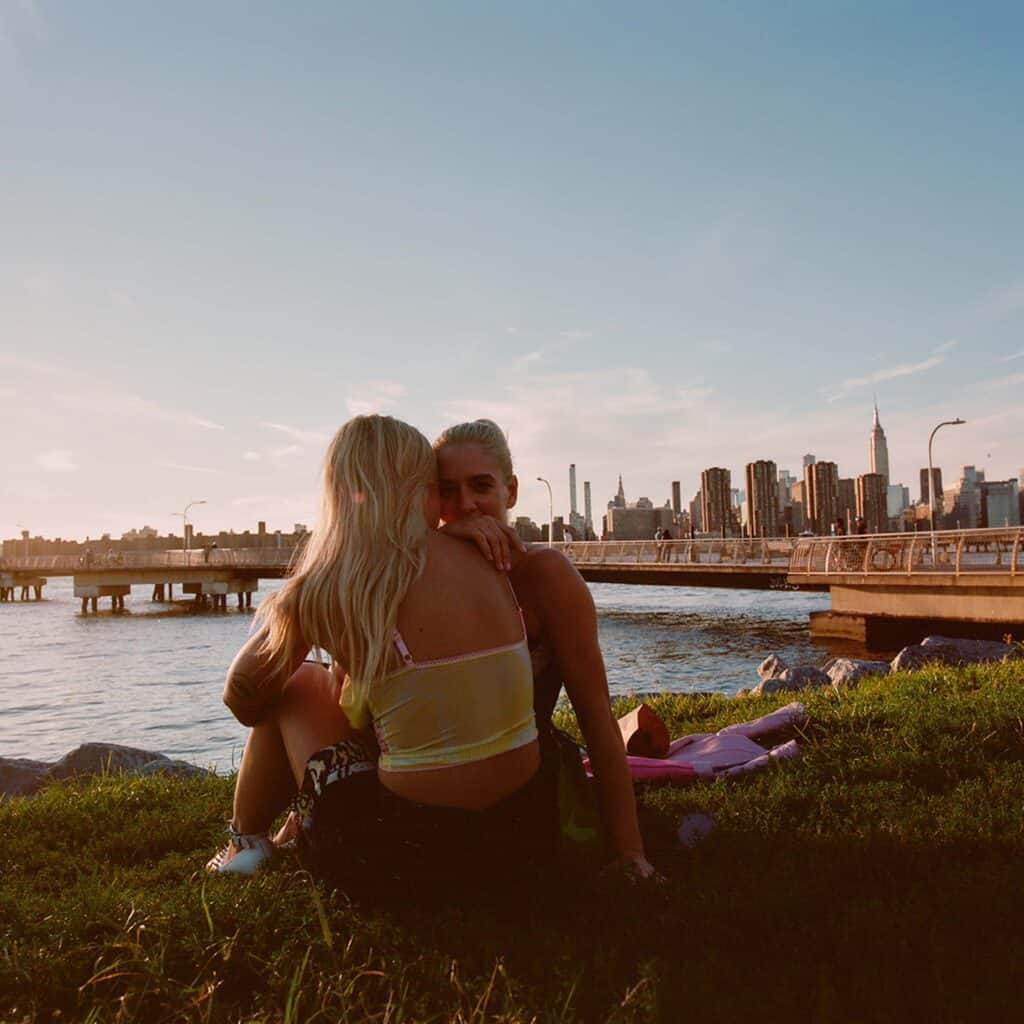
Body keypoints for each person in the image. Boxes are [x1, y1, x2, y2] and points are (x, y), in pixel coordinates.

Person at [208, 415, 558, 892]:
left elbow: (243, 697)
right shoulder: (492, 558)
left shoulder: (334, 585)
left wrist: (298, 605)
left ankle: (244, 843)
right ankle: (264, 834)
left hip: (399, 862)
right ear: (423, 492)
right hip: (523, 838)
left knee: (299, 681)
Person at [433, 419, 654, 880]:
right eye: (447, 491)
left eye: (480, 486)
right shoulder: (416, 574)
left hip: (518, 785)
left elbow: (596, 716)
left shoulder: (545, 577)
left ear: (510, 491)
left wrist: (630, 852)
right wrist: (437, 545)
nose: (466, 505)